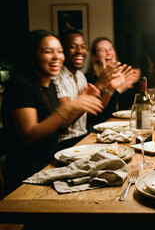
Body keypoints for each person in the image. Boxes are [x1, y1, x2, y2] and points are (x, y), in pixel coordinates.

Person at [1, 30, 103, 194]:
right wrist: (67, 107)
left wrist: (79, 103)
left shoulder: (49, 85)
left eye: (59, 51)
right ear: (32, 56)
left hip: (51, 163)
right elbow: (30, 135)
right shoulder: (20, 86)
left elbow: (58, 127)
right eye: (48, 51)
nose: (57, 57)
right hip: (29, 173)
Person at [52, 30, 105, 149]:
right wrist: (84, 102)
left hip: (83, 136)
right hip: (65, 143)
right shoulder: (56, 77)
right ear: (63, 50)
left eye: (83, 47)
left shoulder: (81, 76)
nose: (80, 51)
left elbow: (97, 110)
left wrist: (106, 87)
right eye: (72, 47)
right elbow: (63, 124)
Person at [85, 37, 140, 130]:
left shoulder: (121, 73)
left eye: (111, 49)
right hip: (97, 128)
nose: (108, 53)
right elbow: (100, 114)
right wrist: (119, 89)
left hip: (117, 124)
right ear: (95, 57)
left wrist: (133, 82)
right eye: (102, 50)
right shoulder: (90, 77)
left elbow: (129, 106)